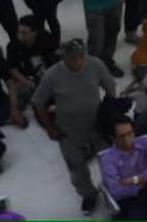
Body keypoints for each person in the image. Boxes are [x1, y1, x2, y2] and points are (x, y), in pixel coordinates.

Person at [32, 38, 117, 213]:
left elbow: (110, 86)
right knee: (76, 167)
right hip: (69, 129)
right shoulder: (52, 75)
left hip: (97, 124)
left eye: (80, 56)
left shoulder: (96, 64)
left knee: (109, 158)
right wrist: (50, 127)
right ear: (63, 57)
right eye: (72, 58)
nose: (77, 61)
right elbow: (38, 102)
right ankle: (88, 195)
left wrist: (110, 111)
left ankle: (114, 188)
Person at [100, 116, 147, 219]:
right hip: (131, 200)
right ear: (112, 137)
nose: (127, 139)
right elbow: (116, 191)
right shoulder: (108, 160)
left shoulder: (145, 143)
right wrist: (142, 182)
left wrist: (132, 180)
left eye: (130, 133)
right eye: (122, 136)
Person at [5, 15, 57, 128]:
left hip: (47, 75)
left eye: (24, 33)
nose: (20, 36)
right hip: (27, 80)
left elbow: (56, 57)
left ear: (35, 32)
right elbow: (13, 70)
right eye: (19, 32)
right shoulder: (13, 46)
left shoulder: (45, 38)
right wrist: (31, 84)